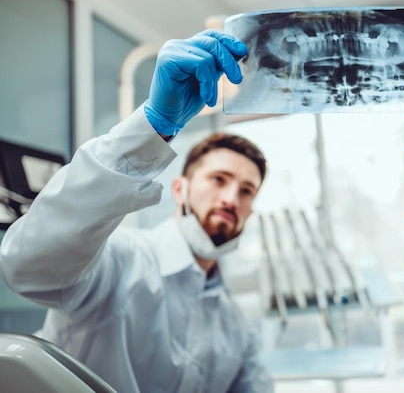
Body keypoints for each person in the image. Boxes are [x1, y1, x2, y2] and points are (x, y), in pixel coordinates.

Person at [0, 29, 274, 393]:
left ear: (251, 211)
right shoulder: (118, 262)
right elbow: (29, 267)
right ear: (180, 188)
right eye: (219, 179)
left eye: (245, 191)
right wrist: (155, 124)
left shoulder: (236, 326)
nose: (230, 199)